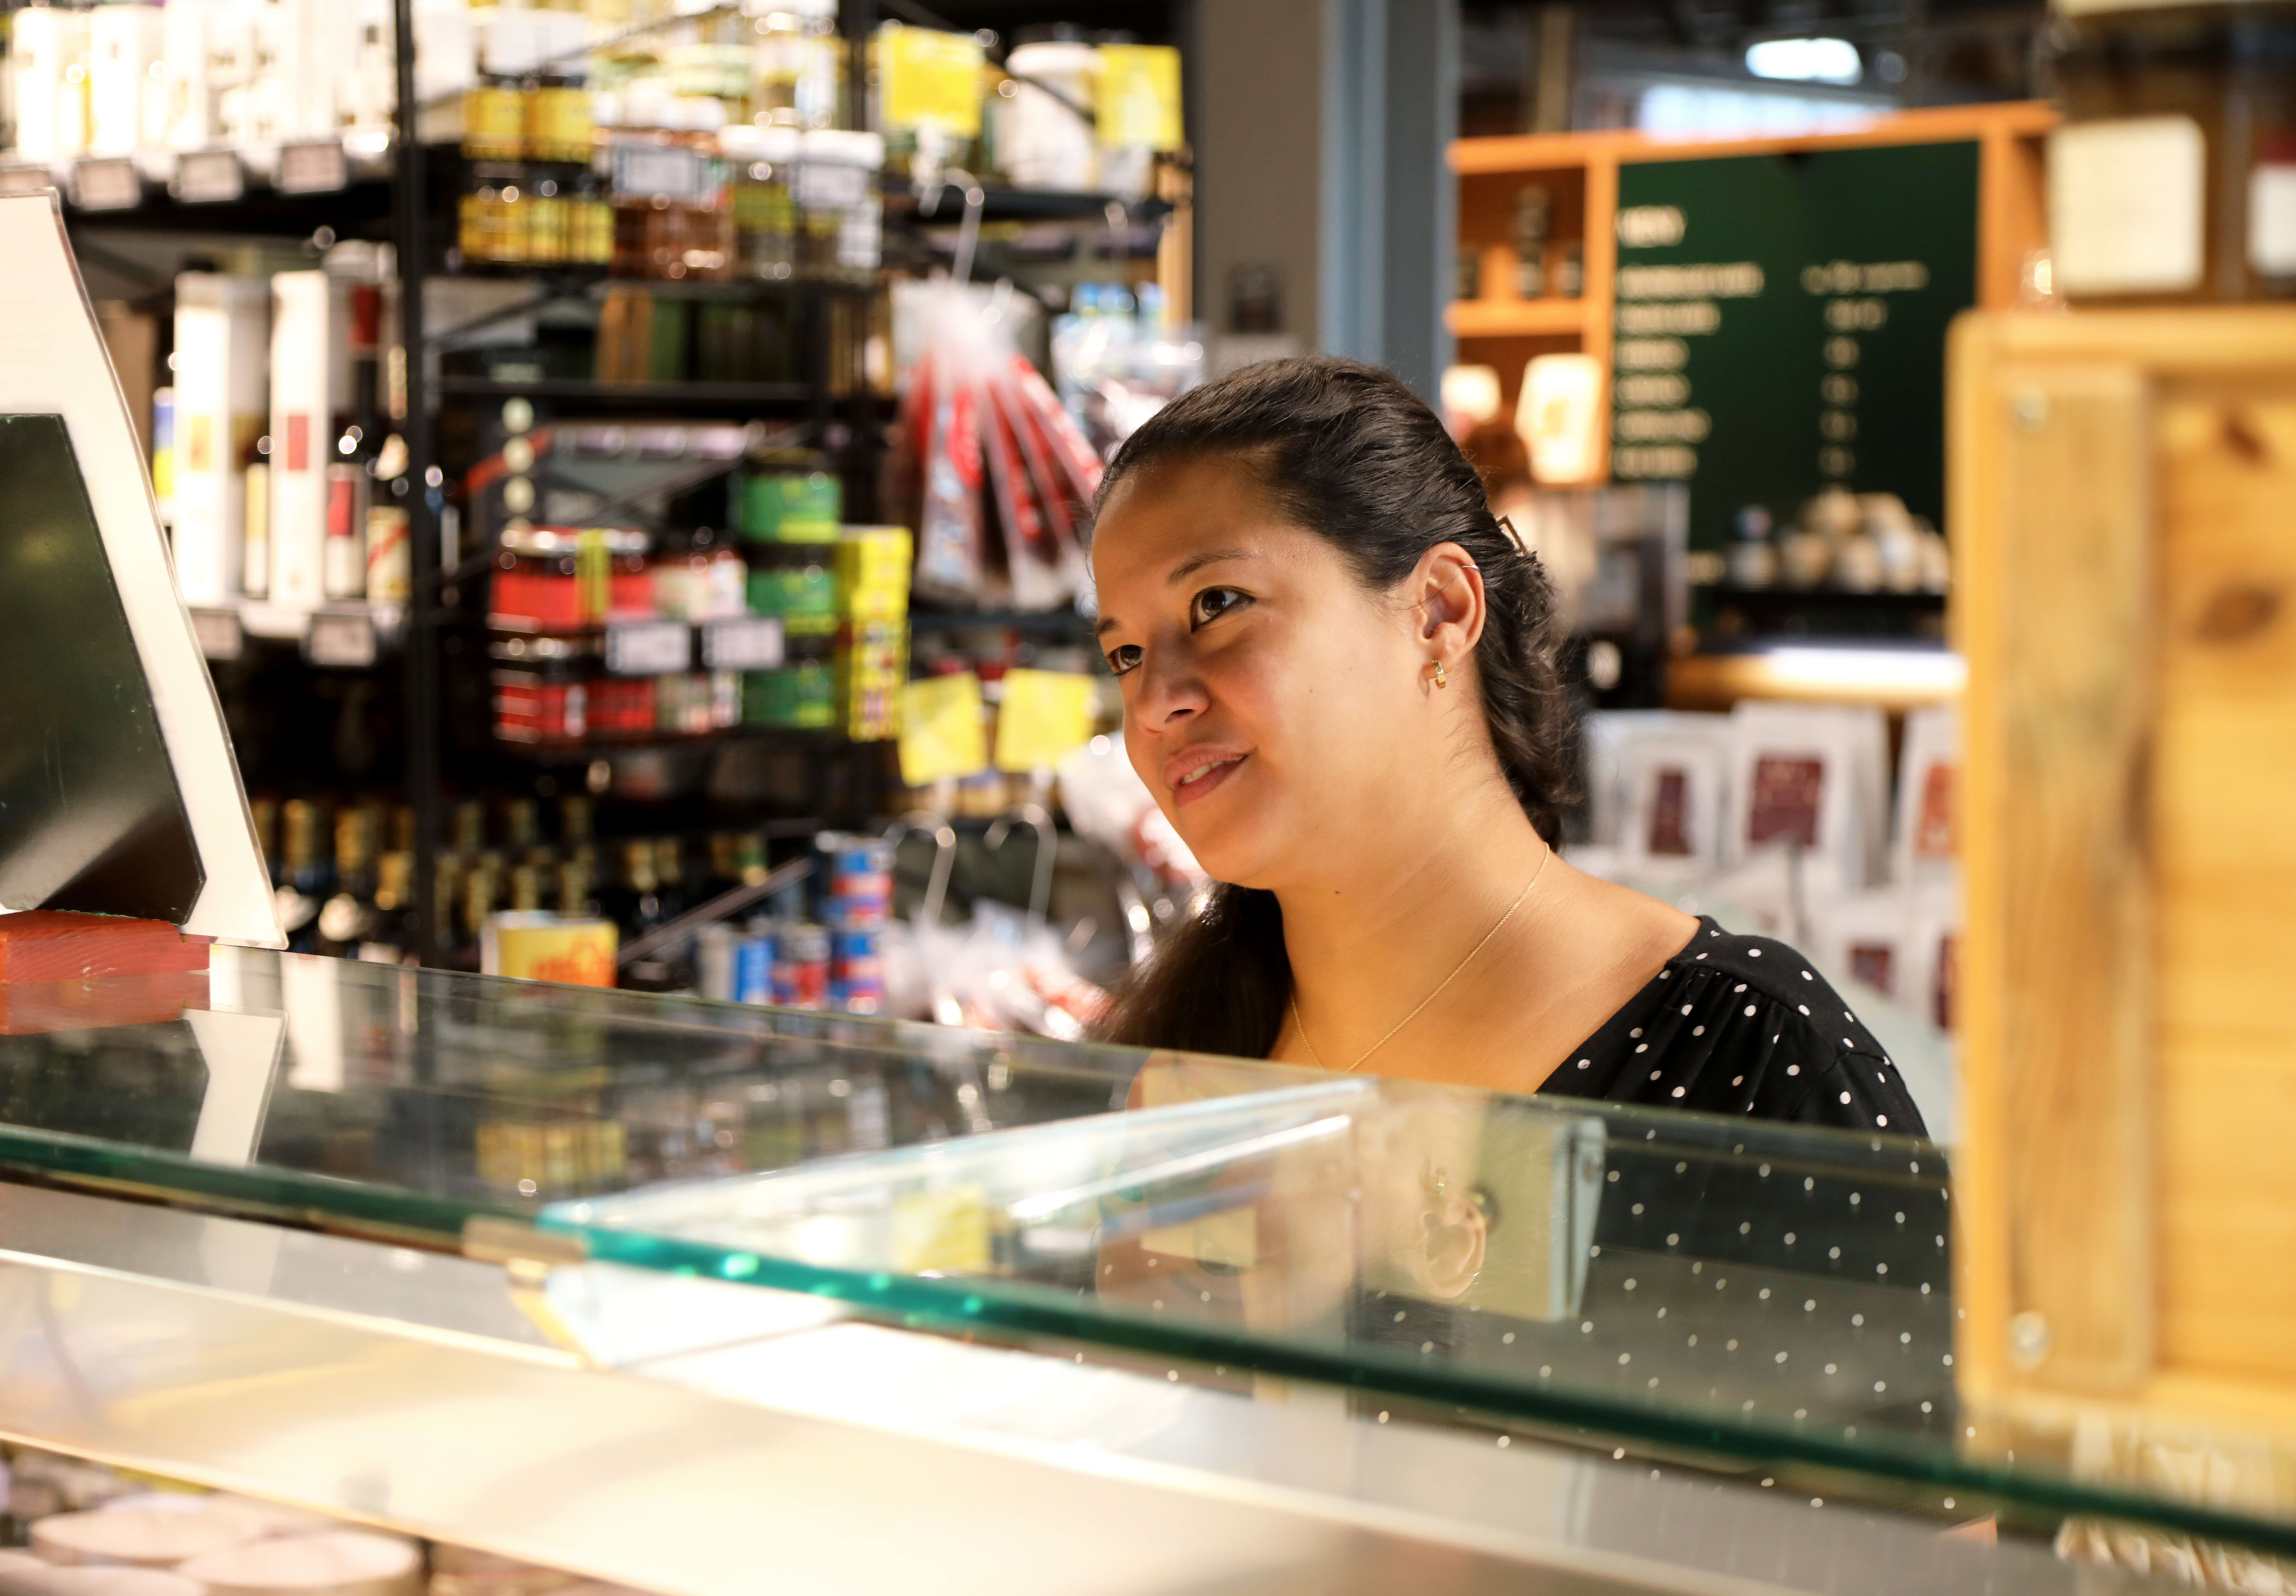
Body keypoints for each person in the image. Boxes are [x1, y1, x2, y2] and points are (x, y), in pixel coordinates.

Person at [1085, 357, 1924, 1136]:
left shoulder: (1755, 1058)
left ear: (1439, 611)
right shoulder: (1180, 1080)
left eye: (1217, 603)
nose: (1156, 702)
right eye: (1124, 653)